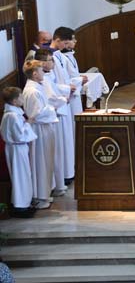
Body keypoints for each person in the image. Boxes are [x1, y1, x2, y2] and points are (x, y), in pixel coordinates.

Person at [34, 49, 71, 195]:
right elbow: (51, 99)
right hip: (50, 120)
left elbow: (54, 90)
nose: (53, 63)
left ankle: (58, 183)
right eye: (50, 60)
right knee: (54, 153)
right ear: (42, 63)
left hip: (53, 118)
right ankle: (55, 186)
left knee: (56, 152)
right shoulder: (41, 81)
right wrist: (64, 99)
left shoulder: (47, 76)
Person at [22, 60, 57, 210]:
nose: (44, 72)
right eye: (42, 70)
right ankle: (40, 196)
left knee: (46, 161)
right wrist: (53, 108)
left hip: (44, 128)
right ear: (35, 74)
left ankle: (45, 193)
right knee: (40, 163)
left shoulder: (37, 87)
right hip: (39, 130)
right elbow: (37, 114)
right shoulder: (32, 91)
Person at [0, 87, 37, 218]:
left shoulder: (13, 114)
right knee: (19, 177)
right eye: (21, 97)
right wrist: (28, 123)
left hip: (18, 148)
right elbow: (19, 136)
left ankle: (24, 203)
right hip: (16, 148)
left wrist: (26, 123)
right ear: (15, 101)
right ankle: (20, 206)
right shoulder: (12, 116)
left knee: (23, 175)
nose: (23, 99)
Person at [49, 27, 77, 185]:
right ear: (57, 40)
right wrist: (67, 89)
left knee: (67, 139)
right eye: (65, 43)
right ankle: (64, 176)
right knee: (62, 143)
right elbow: (51, 84)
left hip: (65, 100)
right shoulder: (49, 56)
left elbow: (64, 77)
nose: (66, 46)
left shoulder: (59, 55)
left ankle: (69, 170)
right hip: (58, 104)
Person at [61, 30, 87, 119]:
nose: (75, 41)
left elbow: (72, 74)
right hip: (70, 93)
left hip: (76, 91)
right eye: (73, 39)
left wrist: (79, 77)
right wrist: (80, 80)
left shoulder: (70, 55)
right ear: (65, 41)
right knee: (73, 117)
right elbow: (64, 79)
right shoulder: (62, 58)